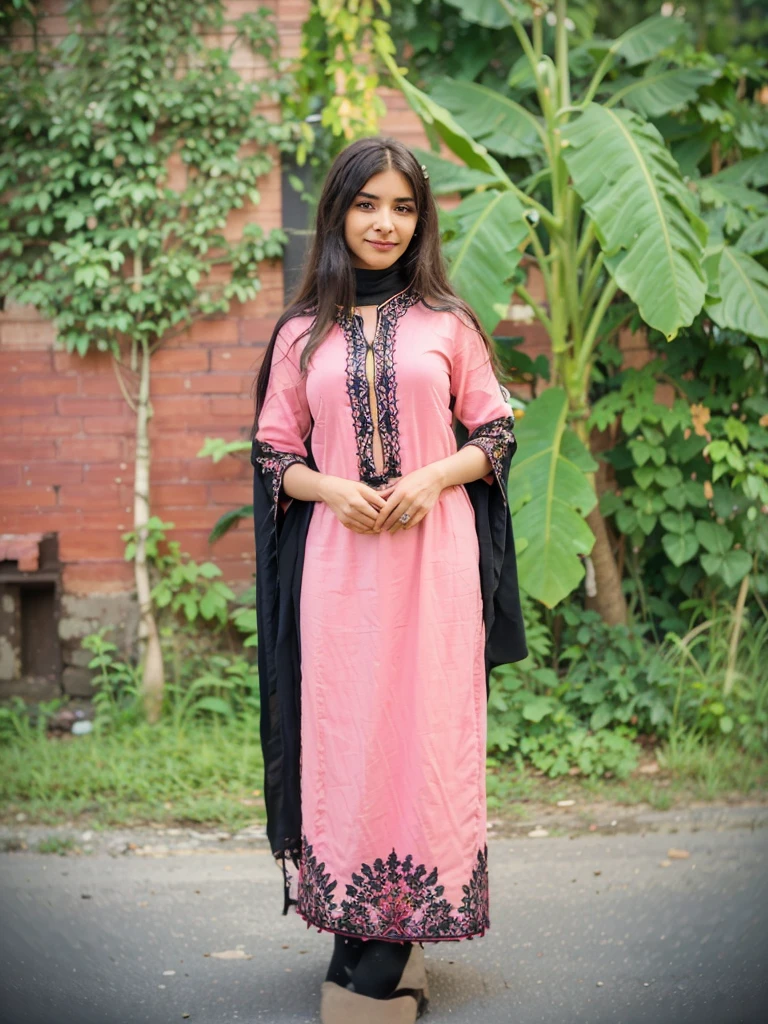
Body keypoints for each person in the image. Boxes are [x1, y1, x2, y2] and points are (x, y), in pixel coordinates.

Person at [250, 136, 527, 1023]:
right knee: (348, 741)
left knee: (424, 742)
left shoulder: (450, 324)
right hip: (336, 577)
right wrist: (331, 485)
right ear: (336, 213)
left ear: (421, 220)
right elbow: (272, 456)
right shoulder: (302, 334)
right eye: (368, 203)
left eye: (403, 207)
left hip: (433, 572)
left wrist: (433, 477)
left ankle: (385, 958)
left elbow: (496, 434)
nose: (385, 222)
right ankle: (360, 941)